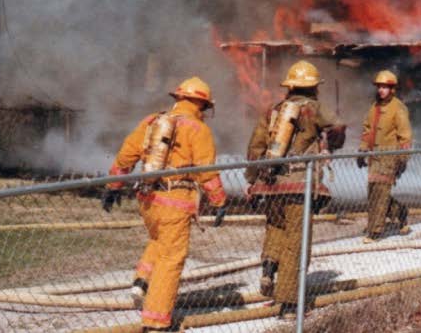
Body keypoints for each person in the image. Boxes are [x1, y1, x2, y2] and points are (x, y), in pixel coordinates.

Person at [103, 76, 227, 331]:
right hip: (176, 201)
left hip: (148, 199)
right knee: (172, 258)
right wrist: (219, 201)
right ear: (201, 105)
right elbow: (207, 171)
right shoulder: (198, 129)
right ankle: (156, 322)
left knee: (158, 241)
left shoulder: (151, 121)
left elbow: (127, 154)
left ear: (179, 99)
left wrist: (113, 185)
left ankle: (141, 280)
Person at [245, 60, 345, 317]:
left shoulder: (274, 111)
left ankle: (268, 270)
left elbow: (256, 147)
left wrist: (252, 181)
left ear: (289, 86)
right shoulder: (313, 108)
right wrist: (333, 142)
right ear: (313, 88)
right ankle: (289, 303)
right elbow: (338, 126)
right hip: (299, 184)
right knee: (295, 242)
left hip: (270, 184)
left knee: (275, 229)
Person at [357, 69, 413, 243]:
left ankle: (375, 231)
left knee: (380, 191)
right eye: (379, 86)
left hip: (390, 157)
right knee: (373, 191)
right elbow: (367, 130)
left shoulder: (398, 108)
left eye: (385, 87)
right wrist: (362, 150)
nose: (381, 90)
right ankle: (400, 212)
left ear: (392, 89)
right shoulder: (374, 107)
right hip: (375, 157)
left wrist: (403, 159)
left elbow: (405, 136)